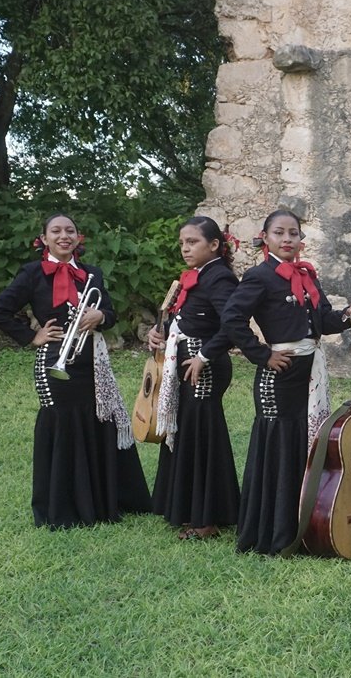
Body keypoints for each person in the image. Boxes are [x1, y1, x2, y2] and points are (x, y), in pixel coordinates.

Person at [0, 213, 151, 529]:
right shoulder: (33, 273)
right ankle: (64, 507)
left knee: (98, 421)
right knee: (63, 423)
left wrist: (100, 316)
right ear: (44, 239)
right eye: (56, 231)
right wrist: (32, 336)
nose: (64, 235)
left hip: (92, 359)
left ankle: (102, 502)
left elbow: (112, 314)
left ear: (78, 238)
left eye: (70, 230)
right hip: (55, 360)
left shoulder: (92, 273)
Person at [222, 209, 351, 556]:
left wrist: (347, 315)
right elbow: (231, 318)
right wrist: (263, 354)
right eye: (279, 233)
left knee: (306, 444)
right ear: (265, 238)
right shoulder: (259, 276)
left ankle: (304, 526)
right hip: (280, 375)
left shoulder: (308, 276)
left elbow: (323, 322)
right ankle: (272, 531)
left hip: (310, 373)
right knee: (281, 447)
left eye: (294, 233)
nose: (287, 239)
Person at [148, 216, 241, 540]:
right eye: (183, 243)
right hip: (186, 365)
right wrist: (159, 333)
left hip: (205, 367)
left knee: (203, 433)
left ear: (214, 245)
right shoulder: (197, 276)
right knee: (188, 429)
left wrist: (203, 356)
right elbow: (184, 320)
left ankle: (207, 519)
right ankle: (188, 508)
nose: (185, 248)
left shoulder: (220, 279)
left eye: (193, 242)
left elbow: (233, 325)